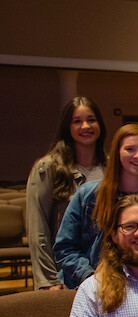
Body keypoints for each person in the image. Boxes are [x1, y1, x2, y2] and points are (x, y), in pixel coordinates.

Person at [54, 123, 138, 289]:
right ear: (117, 153)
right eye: (130, 149)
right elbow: (65, 247)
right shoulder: (87, 195)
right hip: (94, 284)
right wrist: (91, 280)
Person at [26, 97, 107, 291]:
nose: (85, 126)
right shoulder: (48, 168)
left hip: (104, 274)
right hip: (65, 276)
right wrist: (49, 281)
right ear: (67, 127)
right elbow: (38, 230)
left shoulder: (111, 168)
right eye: (77, 121)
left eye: (91, 119)